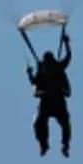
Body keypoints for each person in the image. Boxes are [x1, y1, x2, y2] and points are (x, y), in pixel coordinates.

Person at [26, 29, 72, 157]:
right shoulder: (42, 71)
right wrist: (29, 73)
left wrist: (66, 43)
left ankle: (65, 145)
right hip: (47, 100)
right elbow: (34, 82)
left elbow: (68, 57)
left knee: (65, 123)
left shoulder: (58, 66)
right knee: (39, 123)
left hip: (56, 99)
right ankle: (44, 144)